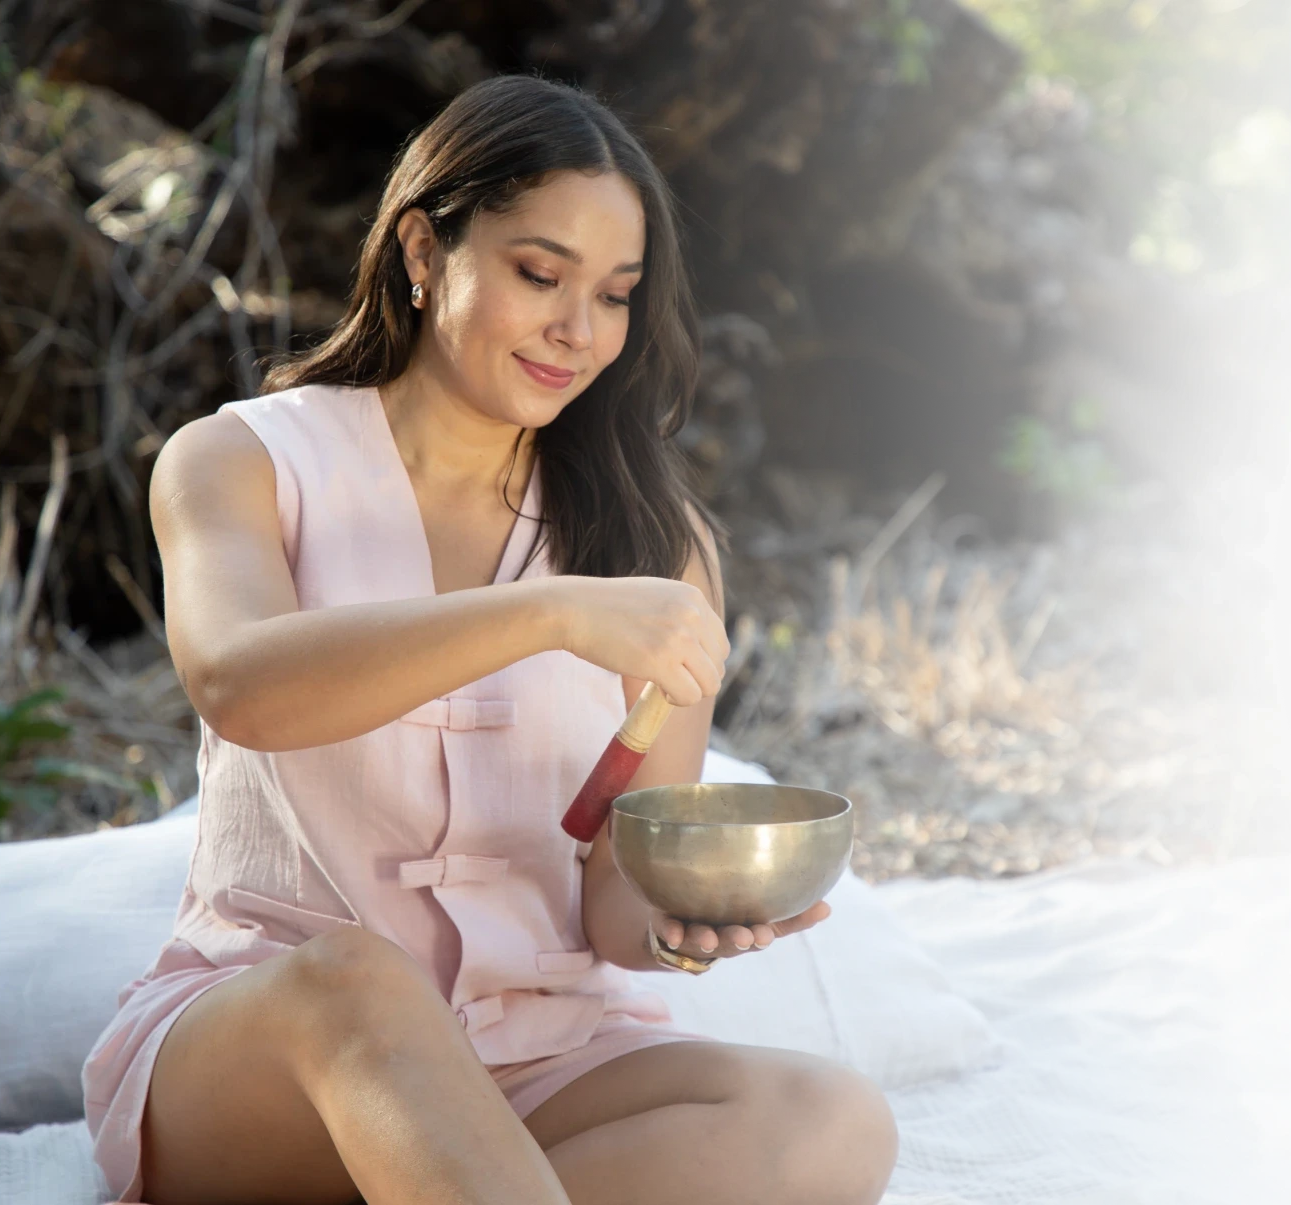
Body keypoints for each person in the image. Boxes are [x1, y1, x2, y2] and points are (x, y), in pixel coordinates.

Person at [80, 73, 898, 1205]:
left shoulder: (659, 542)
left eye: (615, 294)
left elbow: (611, 885)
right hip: (279, 1050)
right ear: (423, 250)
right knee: (358, 983)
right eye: (538, 273)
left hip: (539, 1053)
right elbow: (238, 684)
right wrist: (549, 610)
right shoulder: (243, 462)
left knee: (830, 1121)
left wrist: (671, 920)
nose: (580, 328)